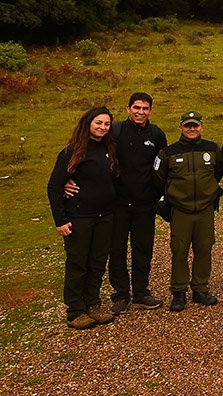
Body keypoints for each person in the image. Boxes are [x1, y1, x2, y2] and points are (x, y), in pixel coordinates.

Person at [65, 92, 167, 314]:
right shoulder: (115, 131)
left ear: (150, 110)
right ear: (128, 108)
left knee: (143, 249)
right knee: (116, 250)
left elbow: (162, 166)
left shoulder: (156, 134)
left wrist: (160, 196)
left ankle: (141, 292)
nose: (140, 112)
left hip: (145, 204)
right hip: (117, 204)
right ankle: (121, 294)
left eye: (145, 108)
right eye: (136, 107)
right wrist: (68, 180)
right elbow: (88, 154)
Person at [47, 106, 118, 329]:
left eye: (107, 124)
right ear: (88, 123)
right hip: (80, 217)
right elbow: (54, 187)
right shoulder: (72, 152)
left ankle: (93, 304)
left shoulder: (109, 149)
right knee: (78, 263)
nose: (103, 127)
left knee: (97, 262)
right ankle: (75, 310)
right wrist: (60, 220)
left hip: (105, 216)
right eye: (99, 123)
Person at [155, 111, 223, 312]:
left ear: (202, 127)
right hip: (180, 210)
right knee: (179, 250)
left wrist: (206, 192)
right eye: (188, 126)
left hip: (205, 208)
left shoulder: (212, 149)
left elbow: (217, 172)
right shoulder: (167, 153)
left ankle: (200, 288)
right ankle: (178, 291)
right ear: (181, 127)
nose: (192, 129)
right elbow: (159, 179)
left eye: (195, 126)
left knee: (204, 248)